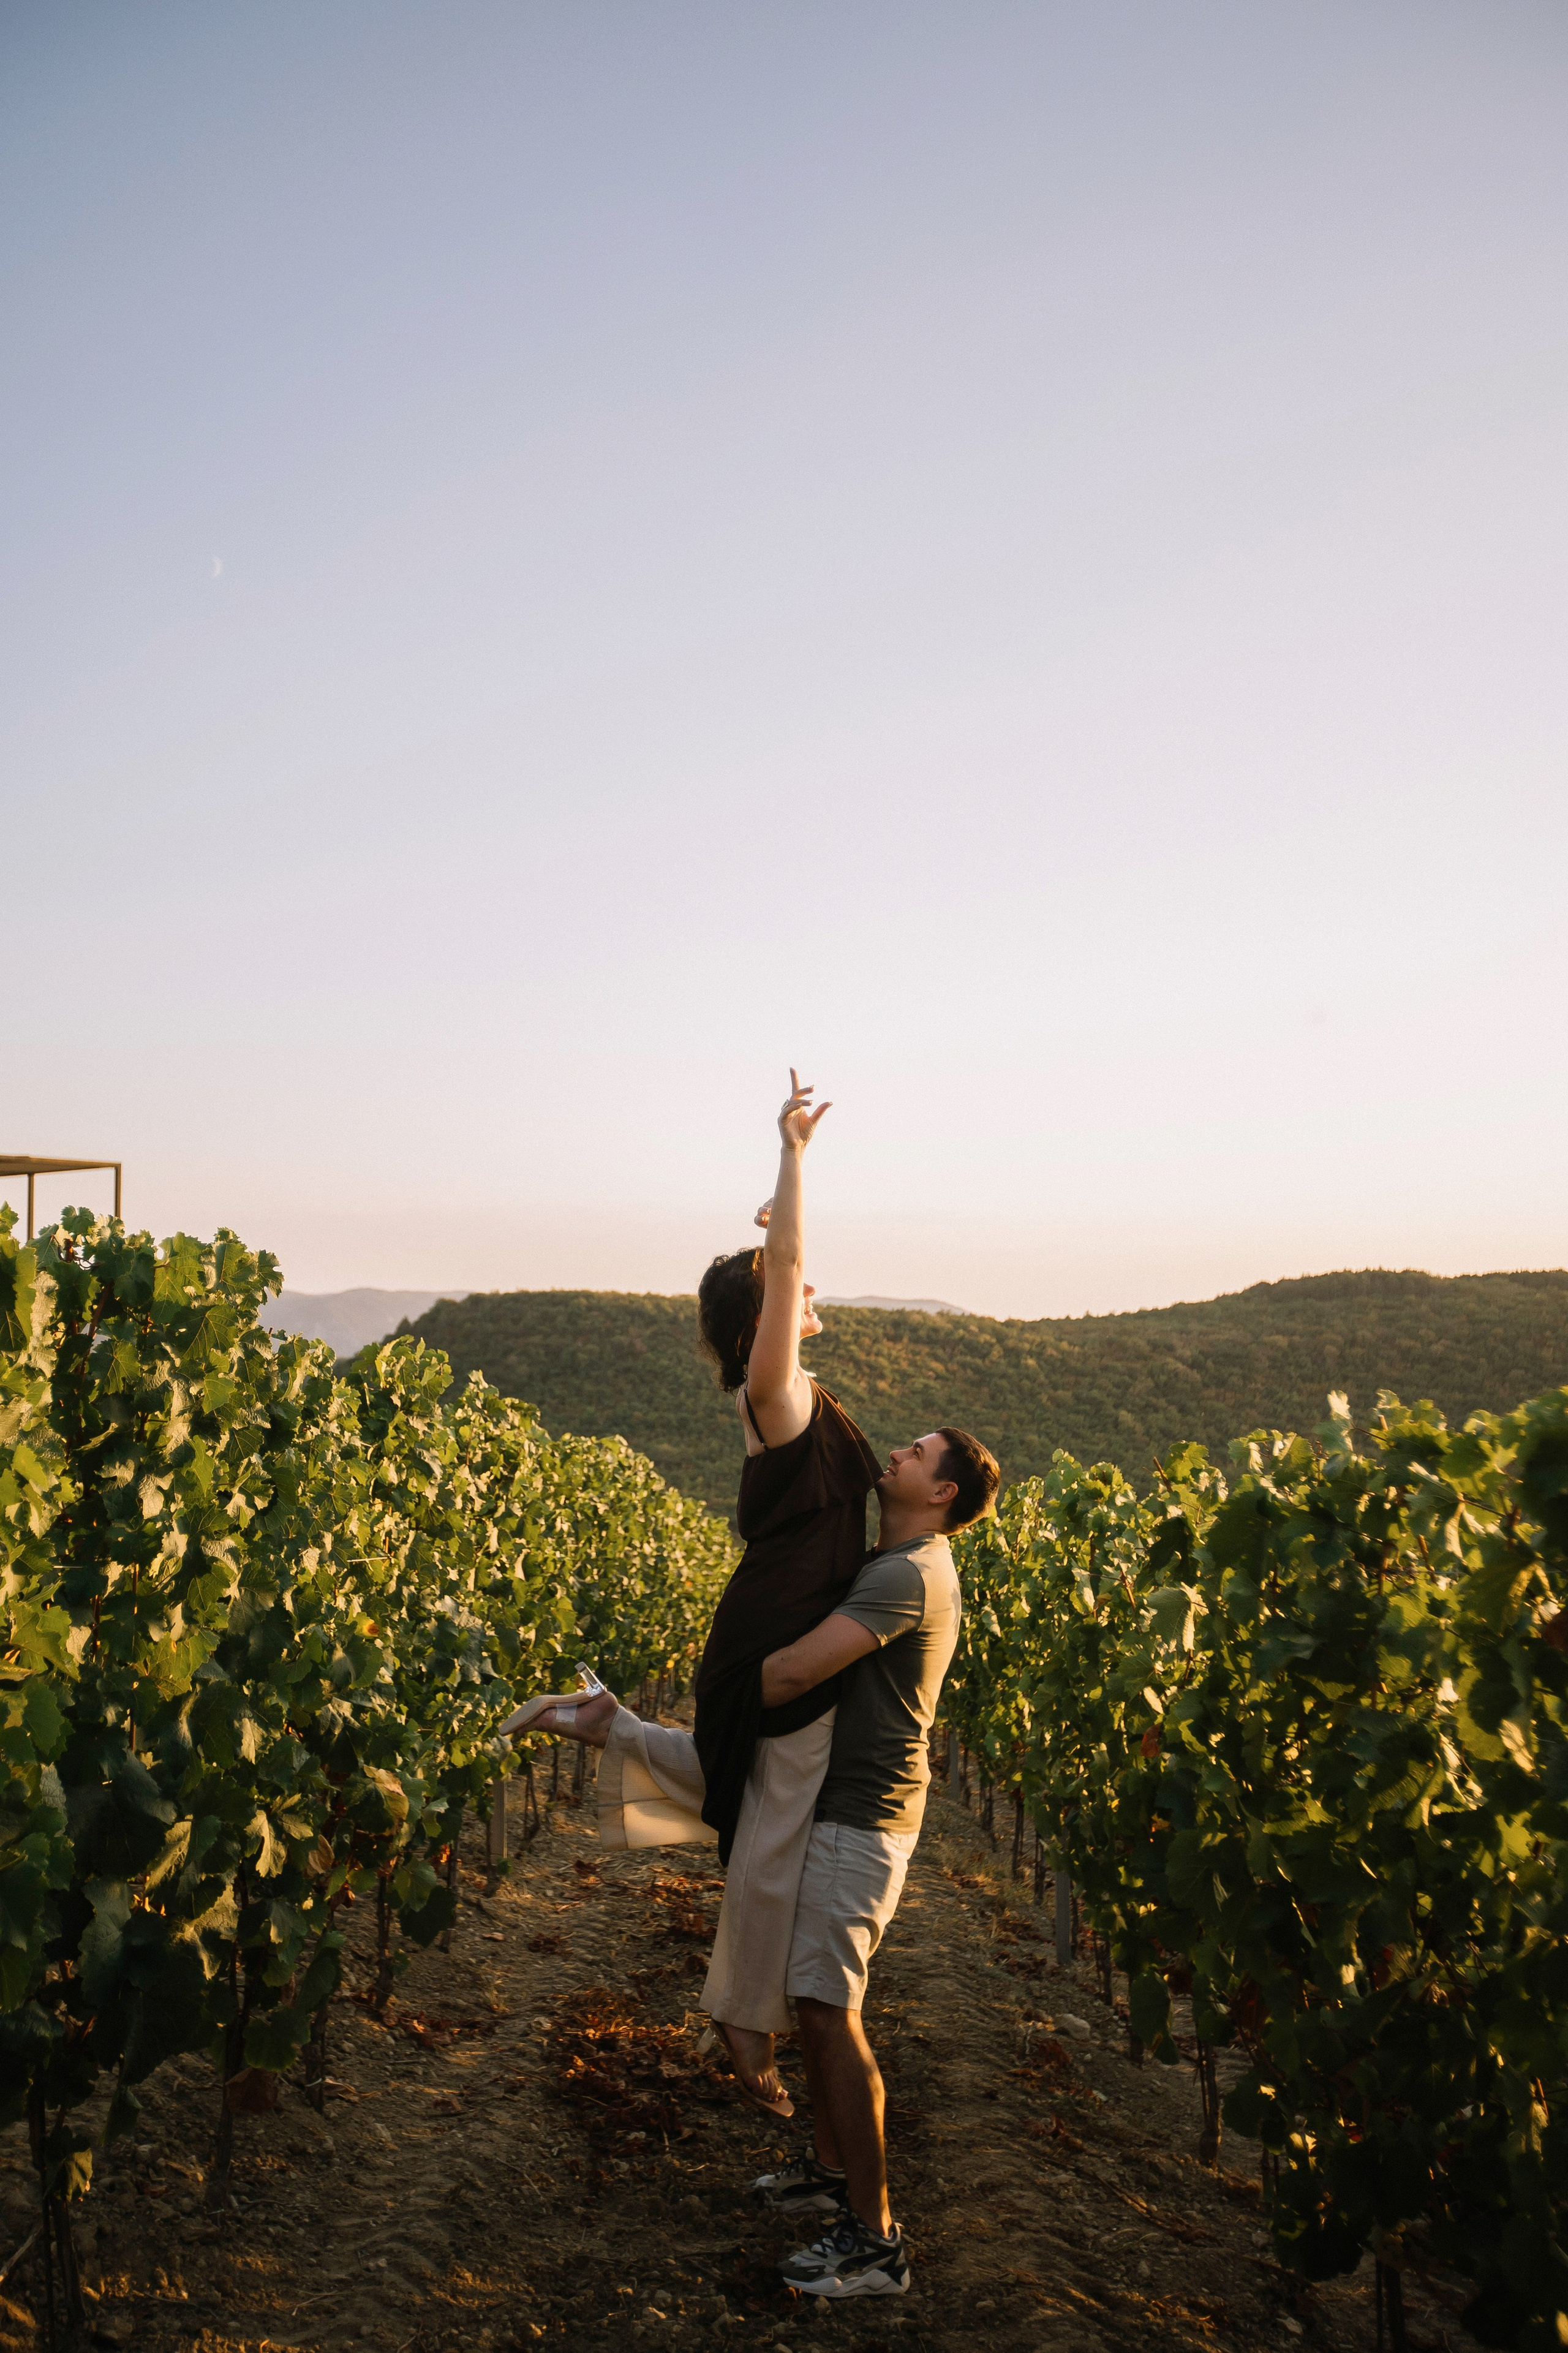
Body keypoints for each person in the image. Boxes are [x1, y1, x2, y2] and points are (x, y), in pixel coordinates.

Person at [503, 1070, 883, 2120]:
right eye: (790, 1286)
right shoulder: (778, 1391)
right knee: (771, 1825)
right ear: (766, 1313)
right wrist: (794, 1157)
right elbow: (791, 1267)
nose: (811, 1290)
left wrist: (774, 1214)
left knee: (738, 1777)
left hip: (764, 1622)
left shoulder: (784, 1393)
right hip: (779, 1632)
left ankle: (608, 1723)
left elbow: (791, 1263)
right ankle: (742, 2017)